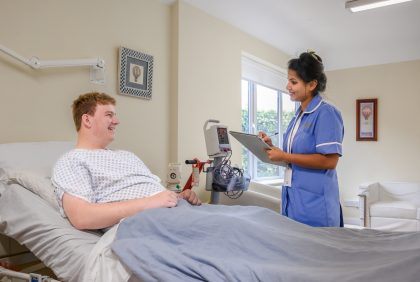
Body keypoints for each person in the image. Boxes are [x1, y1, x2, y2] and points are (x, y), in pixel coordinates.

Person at [52, 92, 201, 230]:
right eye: (109, 115)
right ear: (87, 120)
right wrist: (150, 203)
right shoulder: (72, 161)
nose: (116, 121)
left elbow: (157, 194)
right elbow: (82, 217)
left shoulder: (127, 156)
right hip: (149, 222)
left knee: (223, 218)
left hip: (181, 211)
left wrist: (179, 197)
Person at [259, 51, 344, 227]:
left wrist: (284, 156)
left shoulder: (326, 113)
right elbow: (292, 157)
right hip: (294, 201)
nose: (287, 86)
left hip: (316, 207)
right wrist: (271, 147)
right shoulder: (298, 116)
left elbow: (329, 161)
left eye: (294, 82)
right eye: (288, 81)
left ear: (312, 84)